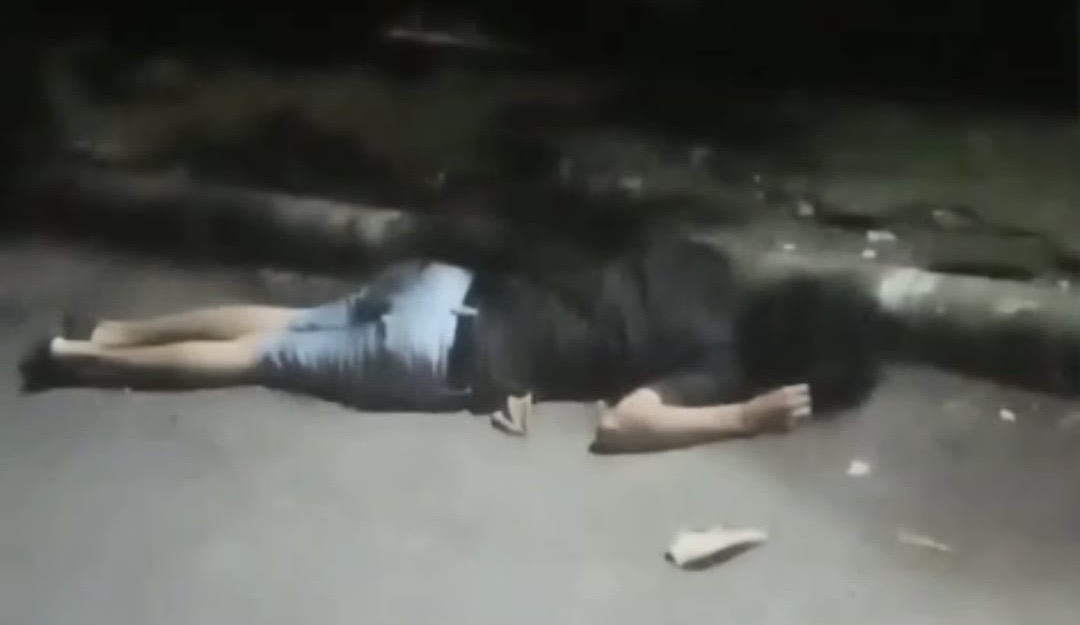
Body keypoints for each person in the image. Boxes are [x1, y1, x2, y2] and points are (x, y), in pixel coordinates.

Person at [18, 233, 883, 454]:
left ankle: (112, 331)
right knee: (258, 358)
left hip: (446, 283)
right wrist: (742, 418)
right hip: (444, 355)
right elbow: (624, 422)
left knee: (283, 319)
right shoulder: (724, 363)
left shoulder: (704, 263)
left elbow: (600, 300)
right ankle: (77, 362)